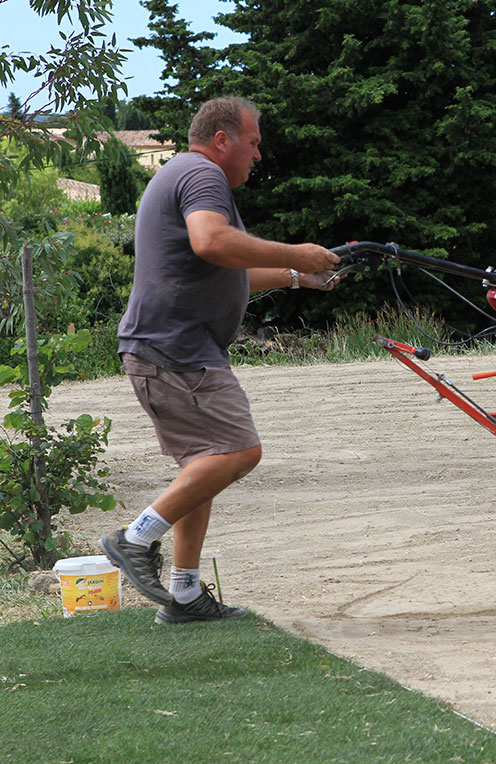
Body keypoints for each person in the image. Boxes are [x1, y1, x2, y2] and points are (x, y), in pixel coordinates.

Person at [100, 96, 341, 625]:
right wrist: (293, 253)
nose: (258, 155)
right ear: (222, 139)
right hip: (177, 351)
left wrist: (300, 277)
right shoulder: (203, 174)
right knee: (239, 451)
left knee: (203, 466)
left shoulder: (187, 176)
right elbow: (211, 243)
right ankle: (134, 538)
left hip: (166, 349)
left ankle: (184, 596)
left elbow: (225, 268)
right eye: (253, 143)